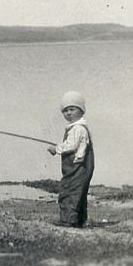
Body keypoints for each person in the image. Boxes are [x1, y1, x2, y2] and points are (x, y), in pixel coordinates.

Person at [47, 91, 95, 228]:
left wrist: (56, 149)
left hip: (77, 167)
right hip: (79, 167)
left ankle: (68, 220)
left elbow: (71, 146)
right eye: (65, 110)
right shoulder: (77, 128)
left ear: (81, 110)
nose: (68, 113)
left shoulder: (78, 128)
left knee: (69, 191)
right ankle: (79, 220)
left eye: (72, 109)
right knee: (79, 192)